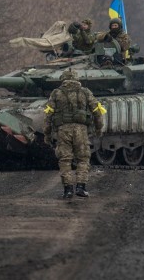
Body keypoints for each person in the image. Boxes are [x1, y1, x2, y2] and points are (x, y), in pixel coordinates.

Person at [43, 69, 106, 198]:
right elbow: (97, 111)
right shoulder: (85, 92)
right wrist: (99, 128)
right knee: (83, 158)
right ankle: (81, 187)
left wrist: (47, 134)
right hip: (81, 130)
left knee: (65, 159)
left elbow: (48, 114)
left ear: (63, 79)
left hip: (63, 130)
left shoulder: (56, 93)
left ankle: (68, 190)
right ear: (77, 79)